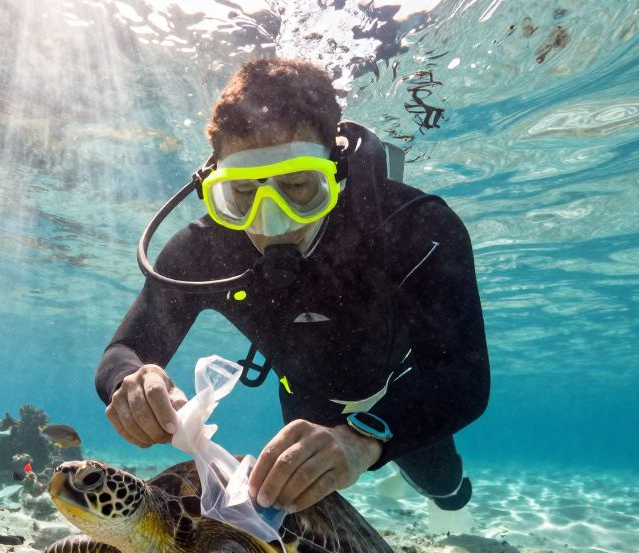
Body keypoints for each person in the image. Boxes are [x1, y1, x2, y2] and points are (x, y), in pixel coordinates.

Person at [95, 57, 489, 515]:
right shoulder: (201, 251)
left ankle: (449, 494)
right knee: (287, 513)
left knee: (444, 488)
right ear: (214, 185)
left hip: (400, 396)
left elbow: (462, 375)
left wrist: (362, 442)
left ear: (335, 172)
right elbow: (125, 350)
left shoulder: (414, 228)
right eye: (242, 193)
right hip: (305, 396)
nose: (272, 221)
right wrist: (131, 382)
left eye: (299, 185)